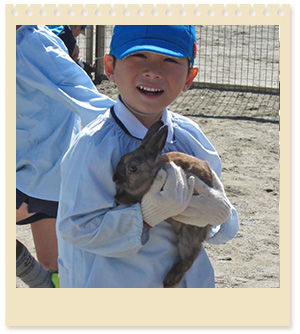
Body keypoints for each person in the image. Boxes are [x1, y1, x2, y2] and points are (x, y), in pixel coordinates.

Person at [56, 25, 239, 288]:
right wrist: (144, 216)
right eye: (138, 56)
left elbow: (215, 212)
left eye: (170, 60)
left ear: (189, 77)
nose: (153, 70)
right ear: (110, 67)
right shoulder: (94, 146)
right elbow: (76, 228)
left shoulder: (189, 138)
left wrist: (216, 216)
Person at [16, 25, 114, 287]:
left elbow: (87, 98)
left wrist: (139, 127)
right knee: (56, 267)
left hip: (38, 174)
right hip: (44, 172)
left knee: (53, 269)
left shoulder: (30, 43)